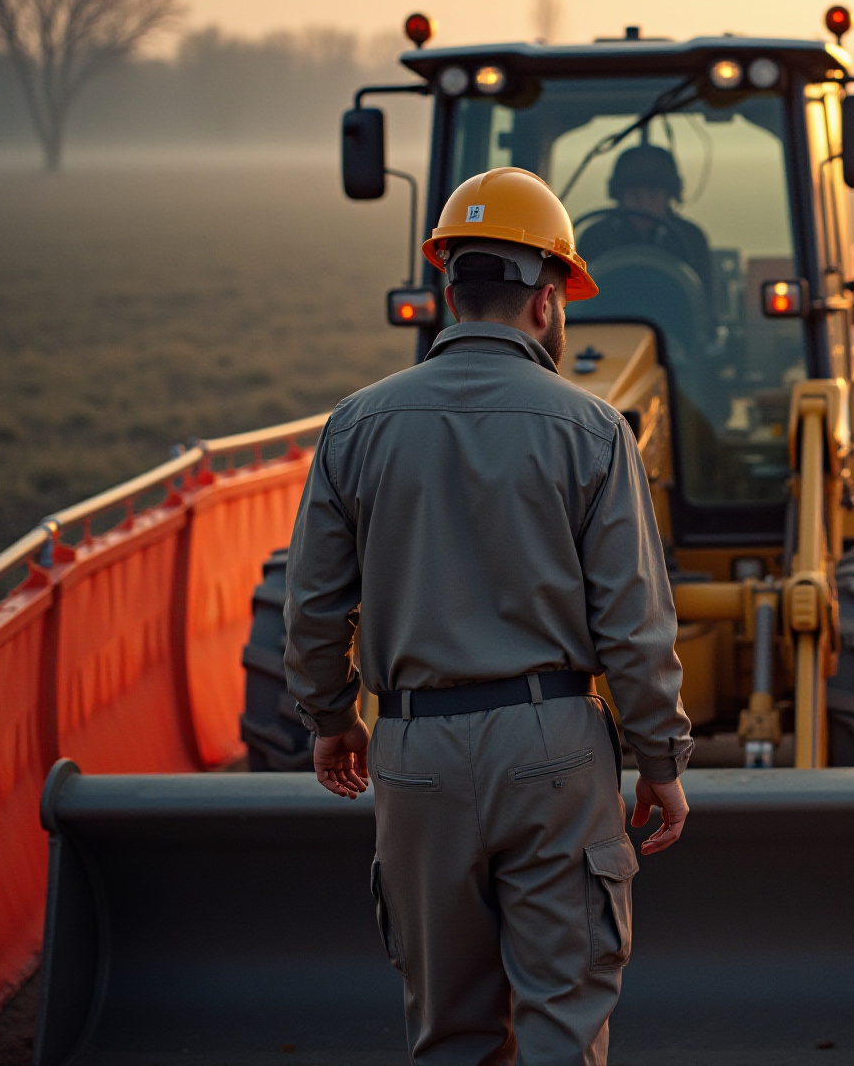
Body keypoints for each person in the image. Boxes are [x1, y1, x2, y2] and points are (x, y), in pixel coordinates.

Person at [285, 165, 693, 1066]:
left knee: (450, 1032)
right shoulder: (593, 432)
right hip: (553, 748)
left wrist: (329, 718)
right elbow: (634, 626)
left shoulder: (355, 427)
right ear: (547, 301)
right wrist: (660, 761)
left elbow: (312, 600)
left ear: (446, 285)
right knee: (563, 1022)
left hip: (413, 751)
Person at [574, 142, 715, 288]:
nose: (644, 204)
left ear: (668, 196)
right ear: (620, 197)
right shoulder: (595, 238)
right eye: (635, 195)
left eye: (653, 195)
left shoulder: (690, 240)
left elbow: (703, 303)